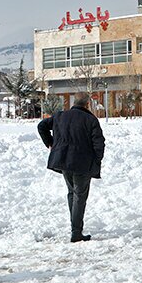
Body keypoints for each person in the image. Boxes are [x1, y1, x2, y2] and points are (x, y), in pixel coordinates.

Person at [37, 92, 106, 242]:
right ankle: (76, 232)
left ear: (74, 102)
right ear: (87, 104)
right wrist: (96, 160)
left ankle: (75, 228)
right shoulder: (91, 120)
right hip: (82, 164)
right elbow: (99, 144)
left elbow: (41, 126)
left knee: (72, 194)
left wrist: (51, 143)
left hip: (63, 161)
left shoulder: (60, 116)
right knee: (79, 197)